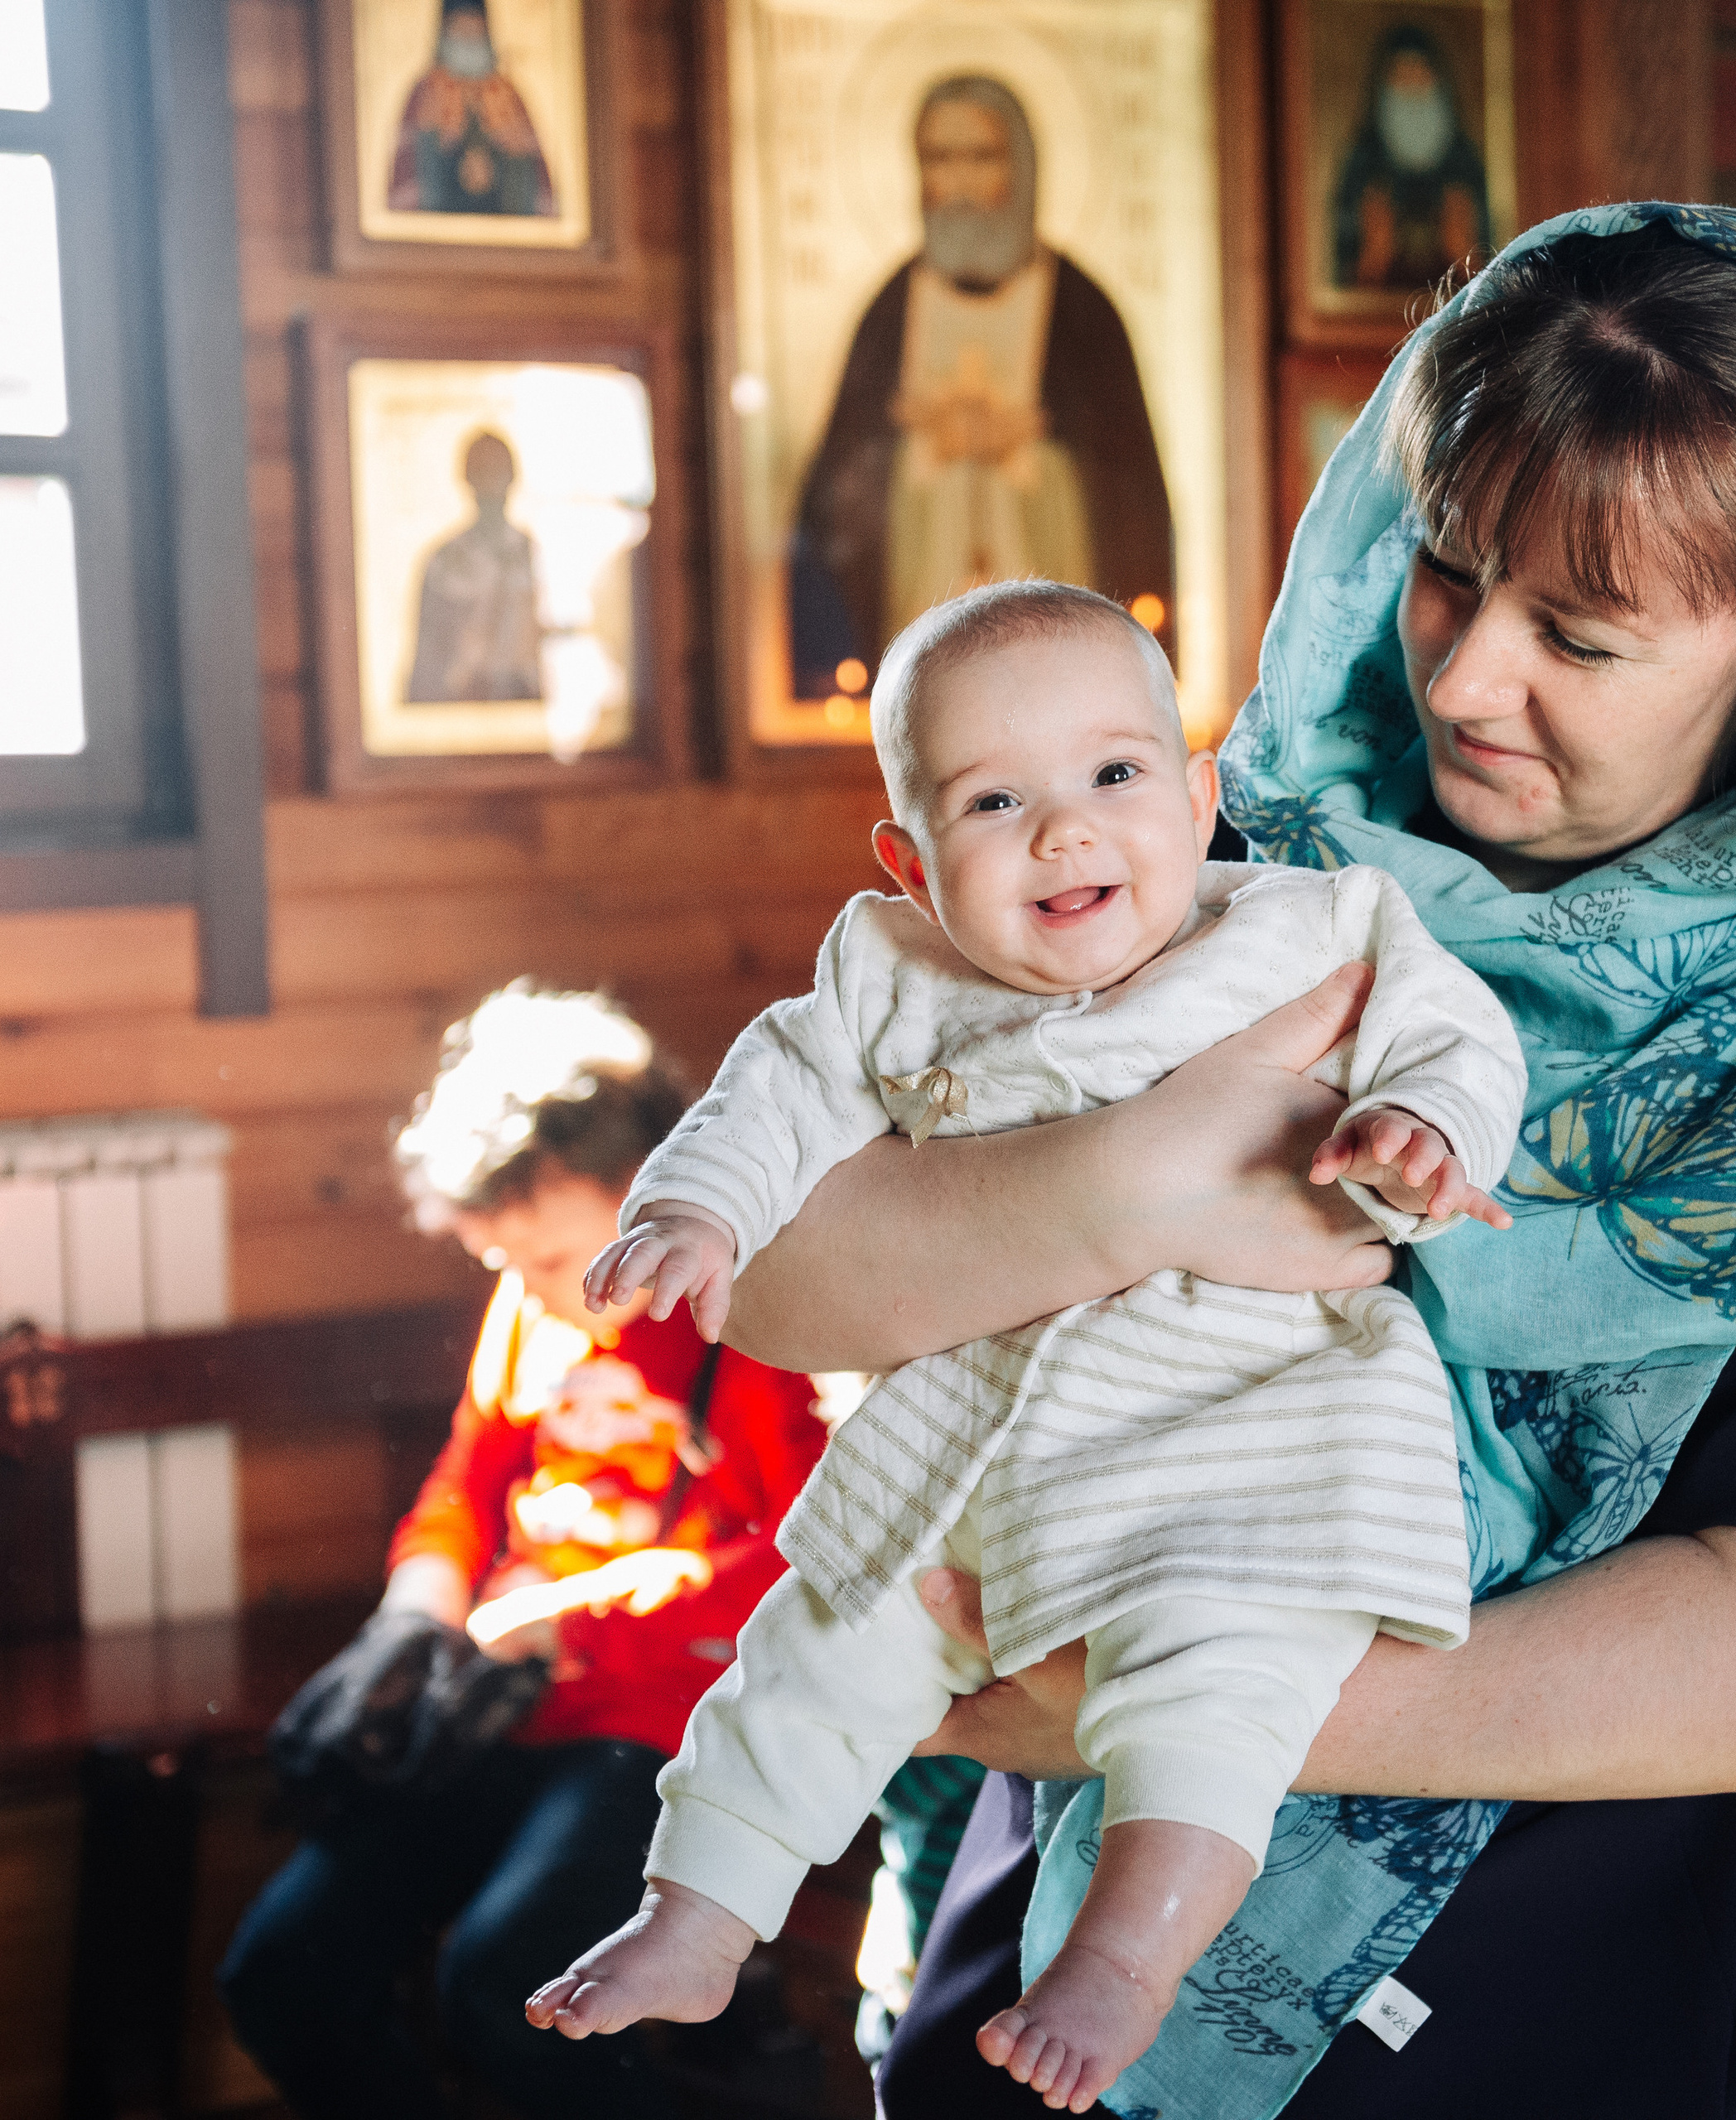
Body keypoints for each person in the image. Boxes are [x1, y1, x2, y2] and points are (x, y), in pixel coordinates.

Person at [673, 207, 1736, 2120]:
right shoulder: (1213, 855)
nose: (1459, 678)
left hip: (1557, 1987)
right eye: (1444, 571)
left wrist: (1174, 1695)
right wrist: (1139, 1177)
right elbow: (775, 1262)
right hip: (1046, 1919)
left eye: (1578, 635)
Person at [524, 579, 1526, 2113]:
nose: (1066, 832)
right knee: (822, 1638)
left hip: (1251, 1412)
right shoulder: (893, 981)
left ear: (1201, 801)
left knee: (1221, 1679)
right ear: (911, 862)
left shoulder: (1305, 931)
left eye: (1116, 776)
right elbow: (765, 1101)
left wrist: (1428, 1126)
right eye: (996, 801)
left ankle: (1129, 1957)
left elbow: (1457, 1040)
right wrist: (700, 1216)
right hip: (982, 1423)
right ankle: (700, 1909)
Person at [218, 985, 827, 2120]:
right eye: (500, 1260)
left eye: (547, 1256)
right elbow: (466, 1484)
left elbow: (806, 1557)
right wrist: (416, 1609)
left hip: (662, 1724)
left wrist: (581, 1616)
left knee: (508, 1985)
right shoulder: (529, 1308)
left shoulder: (751, 1319)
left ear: (653, 1185)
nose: (529, 1288)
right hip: (503, 1703)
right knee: (283, 1974)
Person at [787, 76, 1174, 698]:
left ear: (1019, 166)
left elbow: (1128, 496)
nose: (961, 182)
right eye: (941, 158)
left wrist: (1032, 446)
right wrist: (914, 448)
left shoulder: (1082, 312)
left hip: (1059, 638)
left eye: (981, 157)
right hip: (917, 638)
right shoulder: (890, 312)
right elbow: (839, 497)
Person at [1331, 26, 1489, 293]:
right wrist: (1372, 255)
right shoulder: (1362, 162)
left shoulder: (1465, 164)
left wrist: (1466, 252)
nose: (1412, 89)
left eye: (1421, 75)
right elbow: (1340, 278)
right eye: (1401, 77)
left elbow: (1490, 268)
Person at [403, 429, 543, 706]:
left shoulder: (537, 556)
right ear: (467, 480)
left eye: (498, 473)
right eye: (482, 474)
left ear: (512, 478)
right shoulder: (444, 562)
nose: (491, 486)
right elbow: (427, 656)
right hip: (461, 702)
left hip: (527, 702)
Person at [388, 2, 555, 219]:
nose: (468, 38)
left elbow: (533, 178)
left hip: (504, 231)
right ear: (444, 33)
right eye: (460, 29)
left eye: (475, 29)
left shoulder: (508, 95)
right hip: (439, 230)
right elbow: (409, 170)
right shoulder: (426, 92)